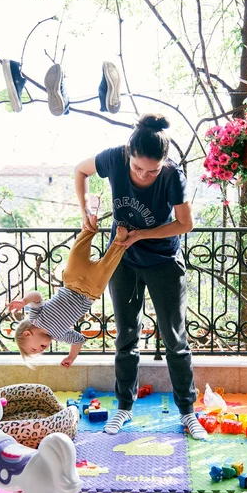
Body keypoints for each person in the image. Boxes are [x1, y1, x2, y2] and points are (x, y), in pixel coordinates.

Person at [74, 113, 207, 440]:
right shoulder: (114, 158)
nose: (144, 175)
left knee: (174, 339)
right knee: (126, 336)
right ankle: (123, 407)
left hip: (163, 261)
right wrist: (85, 210)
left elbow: (185, 224)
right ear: (128, 156)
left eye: (153, 169)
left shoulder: (173, 176)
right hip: (122, 261)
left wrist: (141, 235)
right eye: (137, 168)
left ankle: (188, 412)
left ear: (164, 162)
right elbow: (80, 170)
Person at [9, 216, 127, 367]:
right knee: (109, 264)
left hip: (71, 281)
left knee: (77, 252)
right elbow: (79, 340)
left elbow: (37, 296)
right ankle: (120, 241)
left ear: (27, 333)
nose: (40, 350)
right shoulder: (60, 335)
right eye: (39, 352)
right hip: (90, 291)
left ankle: (89, 229)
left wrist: (24, 301)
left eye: (34, 348)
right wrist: (71, 357)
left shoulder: (35, 319)